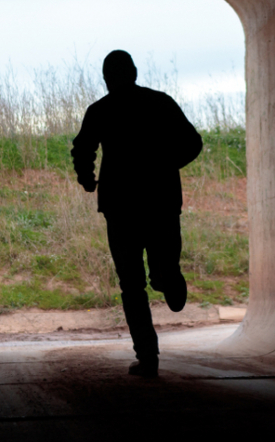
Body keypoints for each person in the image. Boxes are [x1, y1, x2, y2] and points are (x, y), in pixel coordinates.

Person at [71, 50, 203, 377]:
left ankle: (148, 357)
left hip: (120, 207)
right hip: (162, 201)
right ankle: (167, 277)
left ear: (106, 78)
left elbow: (83, 148)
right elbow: (193, 143)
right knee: (164, 258)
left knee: (131, 285)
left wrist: (87, 178)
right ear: (135, 72)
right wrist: (164, 165)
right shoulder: (161, 103)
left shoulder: (100, 110)